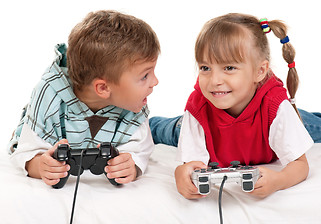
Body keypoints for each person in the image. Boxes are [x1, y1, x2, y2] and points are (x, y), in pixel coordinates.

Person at [150, 13, 318, 199]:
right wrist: (181, 173)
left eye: (229, 68)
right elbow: (192, 165)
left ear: (260, 71)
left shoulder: (275, 107)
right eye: (205, 68)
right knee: (162, 130)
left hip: (267, 121)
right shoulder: (197, 108)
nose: (214, 80)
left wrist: (279, 180)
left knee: (310, 126)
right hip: (190, 126)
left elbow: (300, 164)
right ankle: (153, 123)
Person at [8, 10, 160, 186]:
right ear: (103, 88)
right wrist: (40, 165)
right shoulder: (48, 95)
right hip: (48, 128)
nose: (155, 81)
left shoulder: (133, 104)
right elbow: (26, 151)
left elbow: (140, 149)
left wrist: (130, 165)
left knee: (157, 129)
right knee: (23, 139)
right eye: (145, 76)